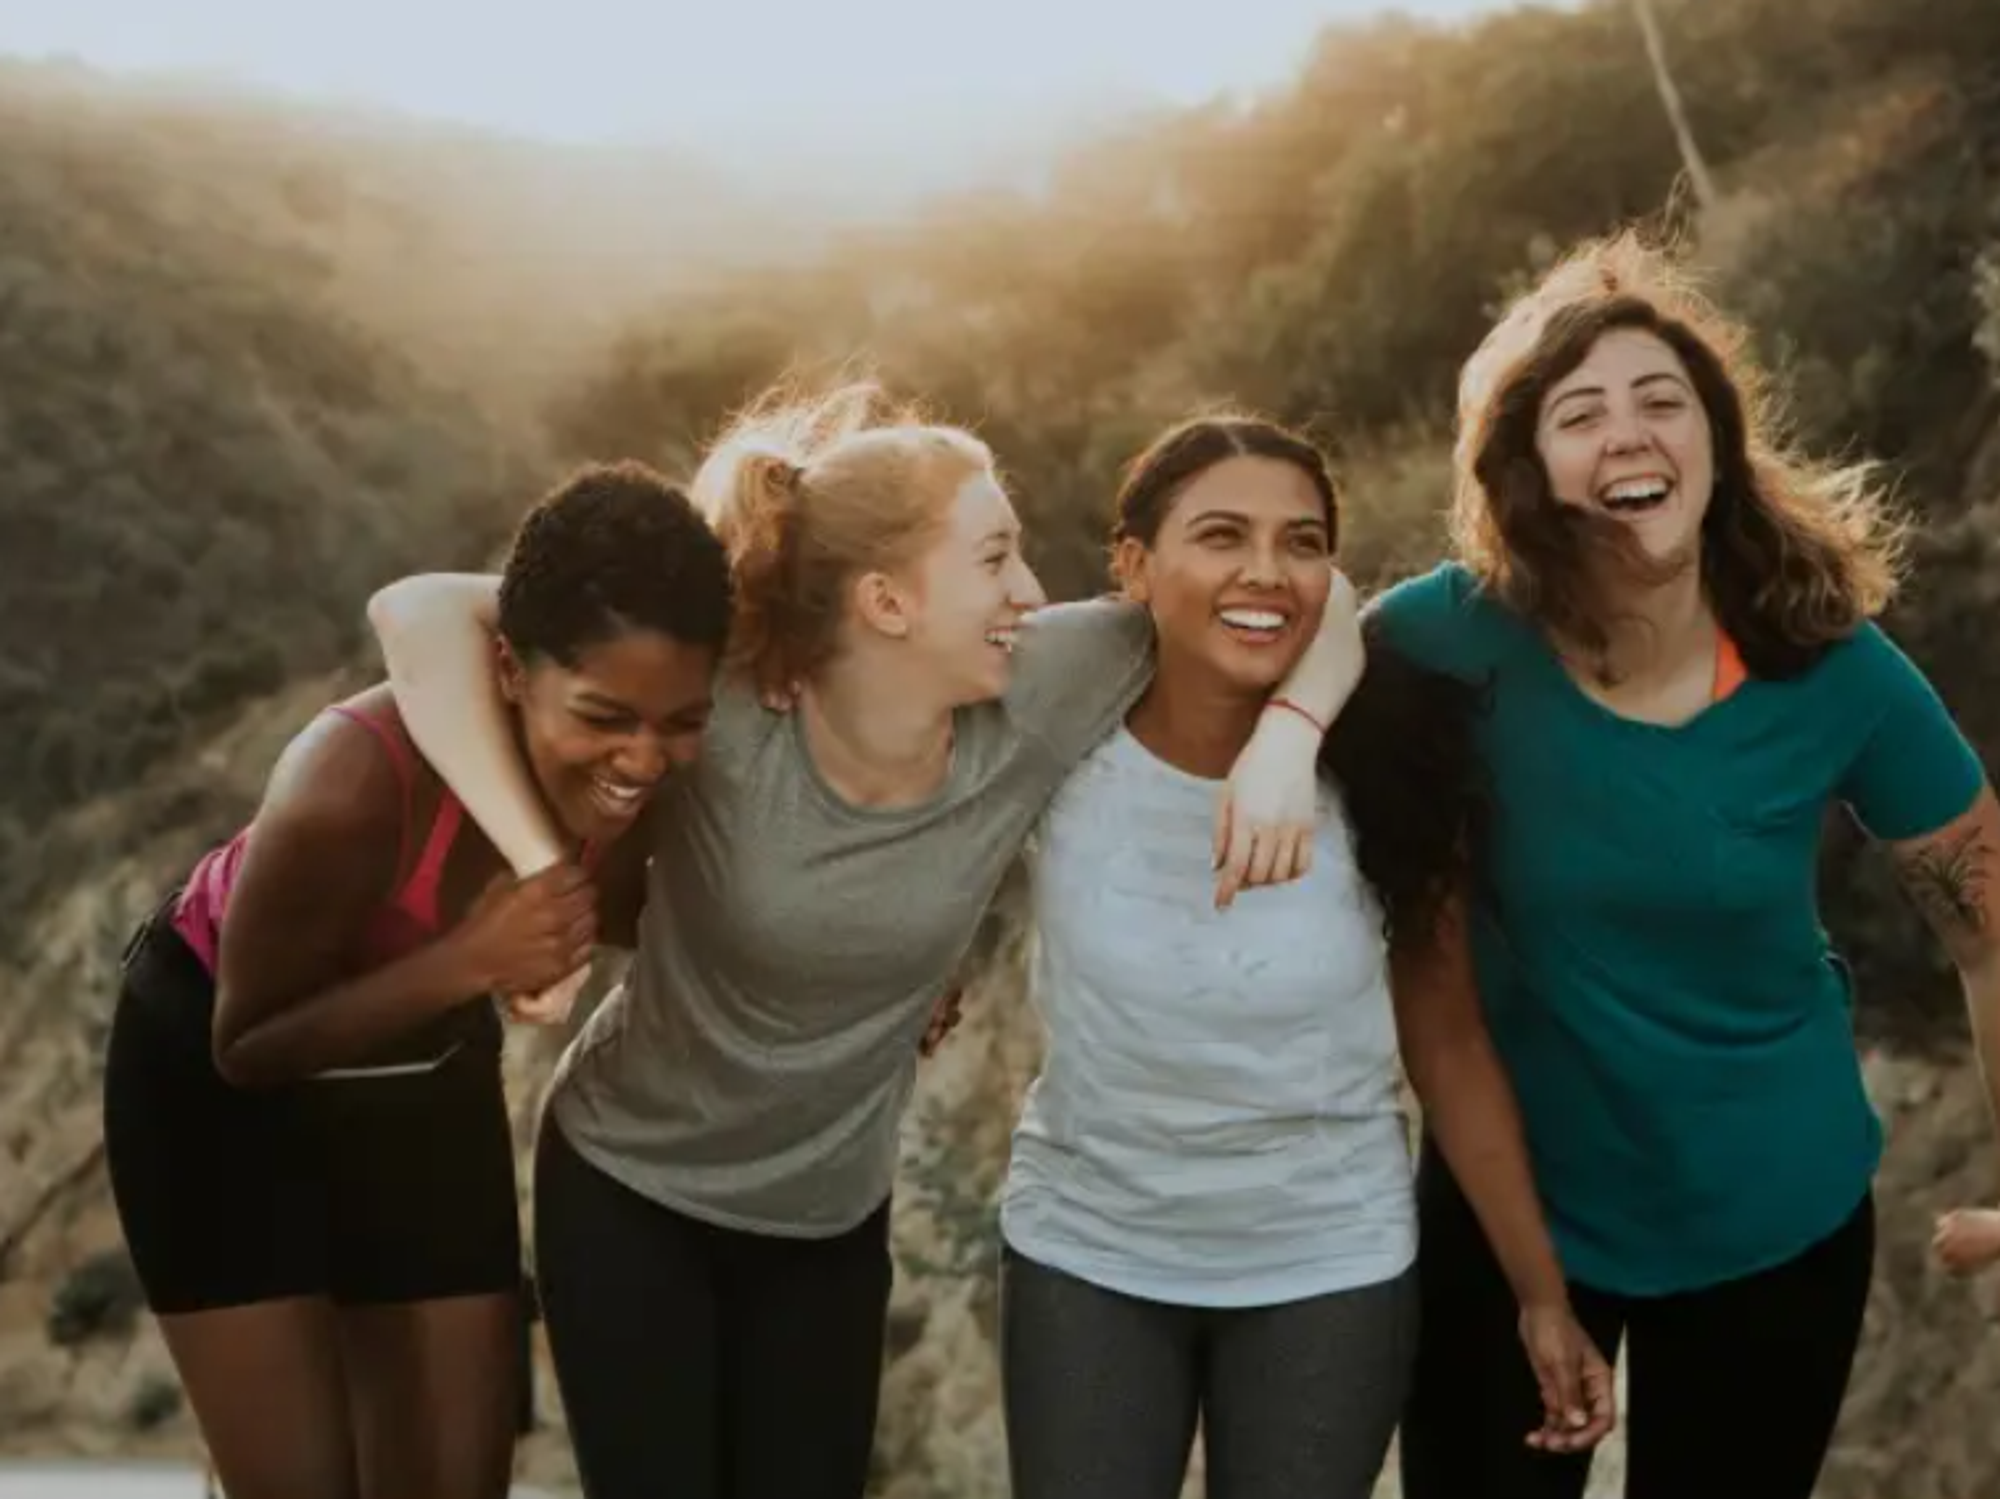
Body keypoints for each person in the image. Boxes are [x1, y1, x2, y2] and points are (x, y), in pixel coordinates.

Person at [362, 381, 1355, 1499]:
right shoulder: (725, 698)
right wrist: (540, 864)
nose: (1030, 589)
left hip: (827, 1220)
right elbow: (418, 613)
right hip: (630, 1188)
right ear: (885, 599)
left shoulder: (1040, 684)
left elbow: (1309, 594)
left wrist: (1287, 739)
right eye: (993, 558)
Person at [1378, 232, 2000, 1499]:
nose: (1627, 433)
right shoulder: (1445, 637)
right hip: (1512, 1209)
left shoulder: (1831, 664)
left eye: (1662, 401)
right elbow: (1272, 655)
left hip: (1770, 1216)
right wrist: (1281, 748)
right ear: (1527, 468)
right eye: (1578, 412)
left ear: (1714, 444)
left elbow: (1989, 928)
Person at [995, 414, 1615, 1499]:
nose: (1264, 572)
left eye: (1301, 541)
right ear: (1134, 567)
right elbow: (916, 807)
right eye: (1220, 535)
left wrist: (1540, 1290)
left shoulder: (1391, 764)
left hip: (1324, 1261)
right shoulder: (1058, 728)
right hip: (1086, 1248)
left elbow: (1448, 1040)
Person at [101, 462, 731, 1499]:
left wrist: (888, 979)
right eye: (605, 714)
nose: (644, 757)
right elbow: (245, 1045)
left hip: (420, 1069)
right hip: (215, 1086)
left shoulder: (648, 781)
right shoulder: (350, 779)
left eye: (681, 721)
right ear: (510, 669)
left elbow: (677, 915)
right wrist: (470, 960)